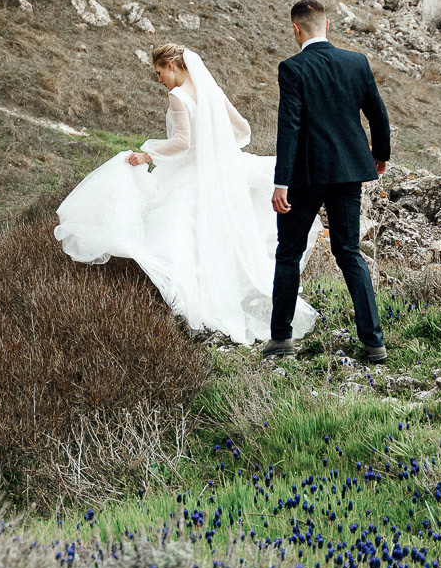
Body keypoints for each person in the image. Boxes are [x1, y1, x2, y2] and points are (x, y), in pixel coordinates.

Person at [54, 42, 318, 346]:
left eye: (159, 73)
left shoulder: (177, 96)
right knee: (217, 238)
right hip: (221, 172)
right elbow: (243, 129)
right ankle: (225, 297)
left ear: (171, 65)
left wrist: (147, 155)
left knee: (177, 236)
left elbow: (181, 143)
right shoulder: (210, 91)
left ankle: (193, 307)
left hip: (192, 176)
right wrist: (219, 149)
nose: (159, 80)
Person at [268, 0, 391, 363]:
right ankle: (374, 342)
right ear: (326, 26)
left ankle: (281, 339)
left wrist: (281, 182)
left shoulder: (292, 68)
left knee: (289, 253)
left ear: (296, 29)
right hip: (349, 172)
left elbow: (289, 126)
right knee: (349, 252)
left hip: (305, 176)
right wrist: (380, 154)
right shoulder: (356, 62)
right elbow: (378, 114)